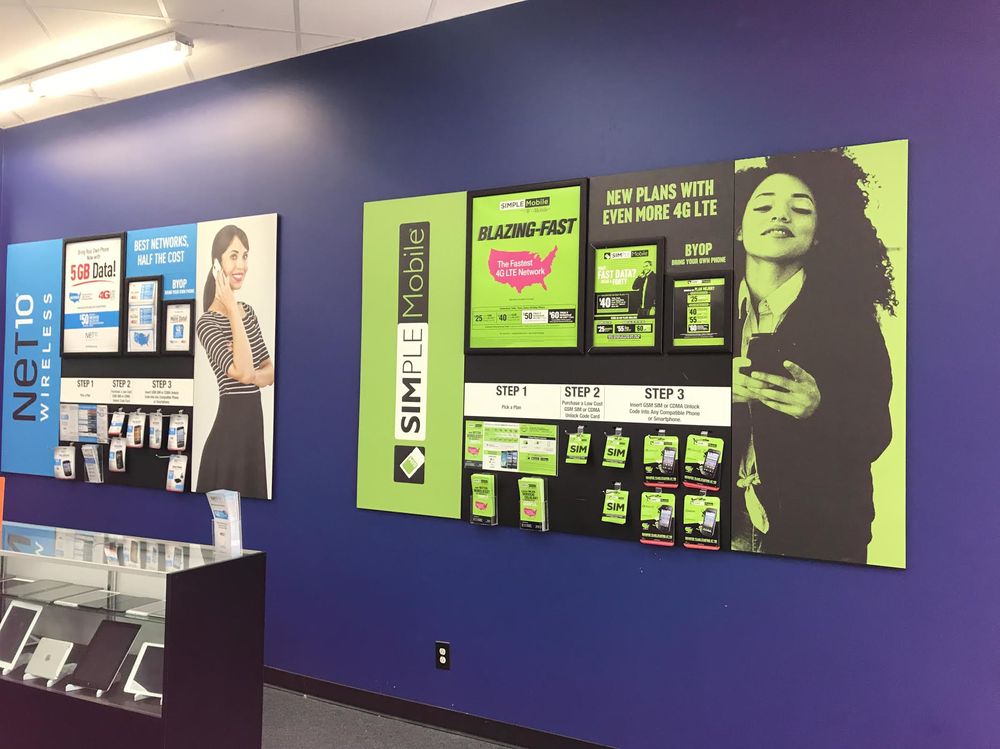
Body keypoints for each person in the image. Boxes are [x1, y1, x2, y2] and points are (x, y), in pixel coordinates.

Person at [731, 149, 897, 564]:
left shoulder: (850, 320)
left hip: (818, 534)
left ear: (820, 232)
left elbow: (876, 433)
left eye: (801, 209)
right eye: (763, 206)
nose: (780, 215)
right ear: (738, 229)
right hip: (717, 522)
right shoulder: (700, 311)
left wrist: (819, 409)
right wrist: (711, 392)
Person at [195, 225, 274, 498]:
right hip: (227, 439)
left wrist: (251, 374)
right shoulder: (206, 324)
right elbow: (241, 371)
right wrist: (230, 308)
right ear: (216, 264)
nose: (241, 265)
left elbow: (269, 372)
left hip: (253, 432)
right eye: (233, 256)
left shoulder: (248, 312)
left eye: (245, 255)